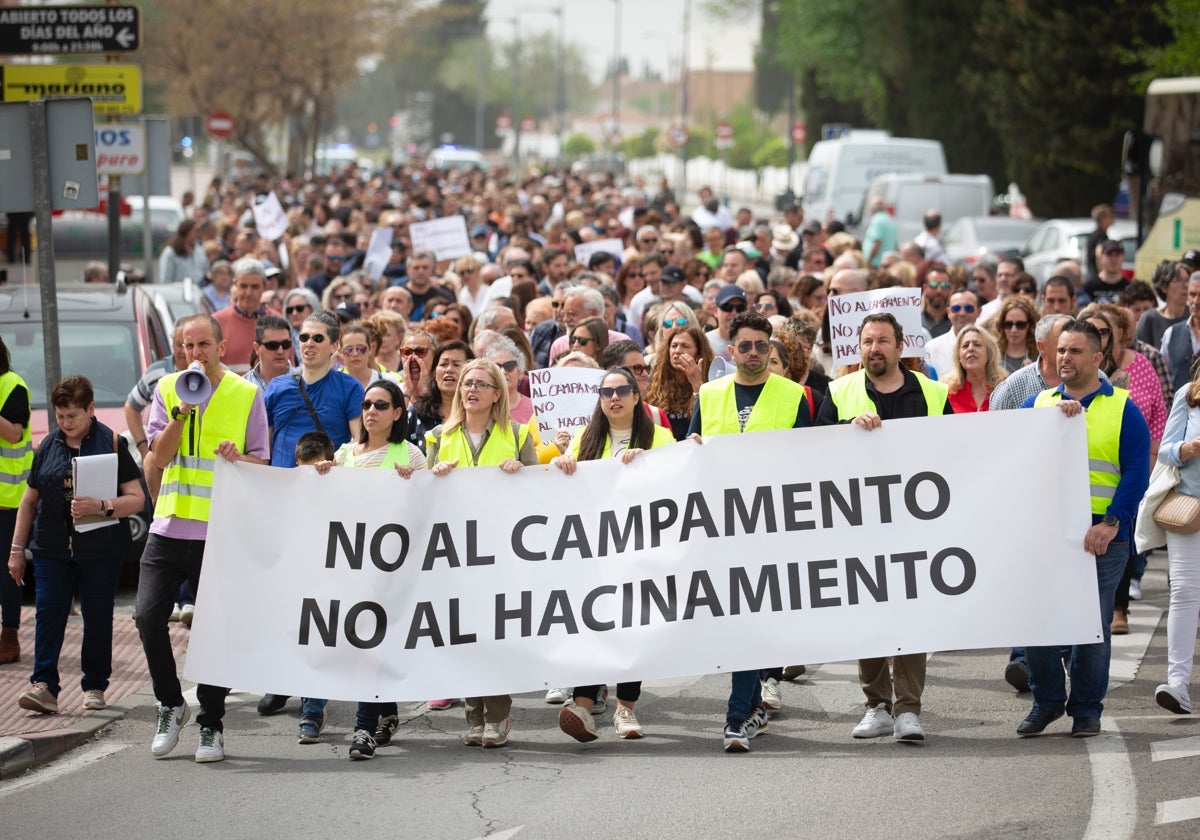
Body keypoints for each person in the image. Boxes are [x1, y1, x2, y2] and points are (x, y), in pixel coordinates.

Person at [135, 314, 269, 763]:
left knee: (216, 629)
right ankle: (171, 703)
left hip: (221, 532)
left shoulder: (247, 393)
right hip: (170, 526)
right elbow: (159, 455)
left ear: (221, 345)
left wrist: (240, 457)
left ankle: (211, 722)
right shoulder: (169, 389)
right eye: (188, 346)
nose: (196, 353)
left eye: (204, 345)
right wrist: (180, 415)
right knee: (145, 615)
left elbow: (263, 462)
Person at [817, 312, 952, 743]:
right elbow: (812, 449)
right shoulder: (839, 392)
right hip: (858, 523)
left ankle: (908, 709)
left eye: (883, 341)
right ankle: (876, 705)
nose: (874, 348)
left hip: (916, 521)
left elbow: (958, 449)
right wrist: (846, 429)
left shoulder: (931, 393)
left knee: (912, 613)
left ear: (900, 346)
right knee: (869, 612)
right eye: (867, 341)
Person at [1016, 320, 1150, 738]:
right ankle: (1048, 703)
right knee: (1038, 620)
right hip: (1047, 532)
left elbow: (1135, 473)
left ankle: (1087, 709)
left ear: (1097, 358)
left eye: (1075, 351)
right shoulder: (1037, 406)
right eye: (1061, 351)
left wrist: (1111, 524)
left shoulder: (1122, 407)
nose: (1065, 358)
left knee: (1090, 625)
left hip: (1102, 535)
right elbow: (1012, 460)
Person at [689, 310, 813, 752]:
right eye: (746, 345)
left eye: (763, 345)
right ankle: (750, 705)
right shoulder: (709, 393)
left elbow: (812, 458)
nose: (755, 353)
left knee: (755, 618)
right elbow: (689, 456)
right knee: (743, 620)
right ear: (731, 350)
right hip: (723, 526)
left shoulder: (794, 395)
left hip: (774, 526)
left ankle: (738, 715)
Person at [552, 367, 675, 742]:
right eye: (607, 392)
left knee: (632, 625)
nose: (615, 397)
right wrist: (561, 464)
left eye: (623, 390)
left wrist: (651, 464)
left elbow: (680, 479)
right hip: (596, 551)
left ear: (637, 397)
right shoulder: (582, 440)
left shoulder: (660, 437)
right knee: (594, 624)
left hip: (643, 548)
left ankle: (625, 708)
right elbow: (557, 481)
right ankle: (584, 706)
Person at [7, 376, 143, 714]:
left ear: (90, 410)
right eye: (60, 416)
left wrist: (101, 506)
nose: (66, 424)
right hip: (51, 549)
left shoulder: (111, 443)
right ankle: (43, 686)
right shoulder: (48, 447)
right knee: (49, 614)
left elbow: (137, 498)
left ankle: (95, 685)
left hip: (101, 551)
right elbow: (28, 501)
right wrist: (16, 550)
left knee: (97, 617)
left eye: (73, 416)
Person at [310, 381, 426, 758]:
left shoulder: (410, 456)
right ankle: (385, 711)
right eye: (366, 404)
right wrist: (320, 478)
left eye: (381, 404)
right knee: (362, 647)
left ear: (397, 412)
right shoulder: (343, 456)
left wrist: (417, 487)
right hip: (349, 566)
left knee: (369, 646)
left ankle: (363, 729)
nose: (371, 410)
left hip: (389, 571)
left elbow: (429, 513)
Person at [427, 359, 539, 748]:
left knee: (495, 636)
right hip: (455, 551)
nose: (471, 389)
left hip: (502, 553)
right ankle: (473, 713)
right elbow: (423, 498)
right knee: (464, 636)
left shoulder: (519, 434)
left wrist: (521, 472)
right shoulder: (439, 436)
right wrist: (434, 475)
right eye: (466, 383)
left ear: (497, 394)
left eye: (480, 384)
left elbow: (541, 496)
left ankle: (497, 714)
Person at [1155, 368, 1200, 715]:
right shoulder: (1188, 394)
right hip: (1189, 506)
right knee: (1184, 592)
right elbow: (1165, 451)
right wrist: (1186, 448)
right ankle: (1178, 684)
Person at [264, 311, 364, 469]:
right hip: (281, 486)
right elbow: (263, 448)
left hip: (327, 484)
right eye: (304, 337)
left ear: (334, 346)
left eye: (318, 338)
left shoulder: (350, 388)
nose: (309, 343)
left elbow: (360, 445)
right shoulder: (276, 386)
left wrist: (335, 462)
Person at [0, 336, 32, 665]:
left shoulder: (13, 386)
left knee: (7, 571)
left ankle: (9, 635)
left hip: (7, 500)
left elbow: (13, 433)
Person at [213, 258, 271, 374]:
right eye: (243, 286)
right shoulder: (216, 322)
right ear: (235, 284)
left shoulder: (278, 322)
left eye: (254, 287)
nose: (248, 293)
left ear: (265, 286)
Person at [942, 325, 1006, 413]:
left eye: (977, 345)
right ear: (959, 356)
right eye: (965, 346)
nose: (971, 349)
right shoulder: (946, 390)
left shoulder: (1004, 386)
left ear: (989, 353)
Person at [991, 296, 1039, 374]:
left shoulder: (1039, 357)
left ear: (1030, 326)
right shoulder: (993, 355)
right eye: (1008, 324)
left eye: (1020, 325)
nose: (1014, 330)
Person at [158, 219, 208, 284]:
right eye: (196, 231)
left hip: (198, 290)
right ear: (187, 232)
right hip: (178, 290)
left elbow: (205, 270)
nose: (198, 234)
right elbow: (165, 279)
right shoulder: (171, 253)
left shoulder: (200, 251)